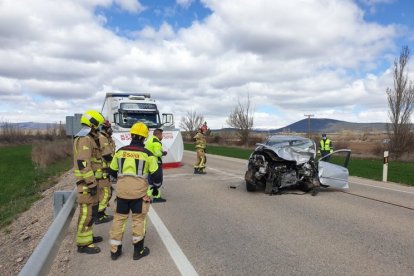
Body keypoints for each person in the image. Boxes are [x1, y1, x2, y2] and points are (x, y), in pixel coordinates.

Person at [108, 122, 162, 261]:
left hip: (122, 193)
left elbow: (112, 171)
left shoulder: (120, 152)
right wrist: (155, 187)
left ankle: (115, 251)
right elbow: (157, 175)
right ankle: (138, 251)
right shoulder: (147, 154)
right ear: (144, 138)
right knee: (138, 220)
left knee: (119, 219)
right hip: (139, 194)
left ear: (131, 135)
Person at [73, 110, 105, 254]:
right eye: (97, 125)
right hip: (86, 184)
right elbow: (83, 163)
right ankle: (83, 244)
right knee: (86, 213)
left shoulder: (89, 138)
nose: (98, 128)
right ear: (93, 124)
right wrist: (91, 183)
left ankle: (88, 236)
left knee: (91, 212)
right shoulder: (85, 139)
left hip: (90, 182)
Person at [94, 120, 115, 224]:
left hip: (104, 170)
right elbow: (107, 155)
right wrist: (116, 165)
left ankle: (101, 214)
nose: (111, 129)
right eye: (109, 127)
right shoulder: (102, 138)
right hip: (102, 170)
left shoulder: (106, 138)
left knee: (107, 192)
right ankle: (99, 216)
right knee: (106, 193)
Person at [145, 128, 167, 203]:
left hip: (149, 163)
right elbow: (157, 153)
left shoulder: (150, 140)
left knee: (152, 180)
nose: (162, 136)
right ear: (158, 134)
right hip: (156, 164)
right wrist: (163, 153)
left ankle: (156, 196)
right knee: (157, 181)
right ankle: (147, 197)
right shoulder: (156, 142)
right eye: (161, 135)